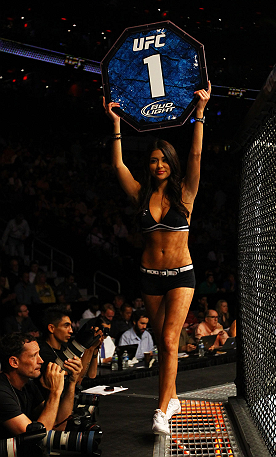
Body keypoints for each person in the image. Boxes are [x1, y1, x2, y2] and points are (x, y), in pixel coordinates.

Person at [104, 82, 211, 435]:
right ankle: (174, 396)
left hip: (181, 274)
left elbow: (195, 157)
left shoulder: (186, 192)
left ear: (172, 162)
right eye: (153, 159)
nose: (159, 164)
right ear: (148, 165)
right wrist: (116, 123)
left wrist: (198, 114)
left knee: (168, 340)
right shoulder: (140, 194)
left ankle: (161, 410)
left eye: (164, 158)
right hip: (150, 275)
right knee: (165, 345)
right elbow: (118, 165)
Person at [0, 332, 82, 439]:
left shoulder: (28, 385)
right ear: (14, 362)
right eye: (34, 356)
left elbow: (58, 424)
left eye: (39, 354)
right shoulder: (2, 393)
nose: (41, 360)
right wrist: (55, 392)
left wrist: (72, 382)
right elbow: (37, 438)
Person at [39, 306, 102, 385]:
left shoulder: (65, 347)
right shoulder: (42, 353)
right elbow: (74, 382)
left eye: (71, 326)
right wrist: (87, 348)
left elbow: (90, 376)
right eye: (66, 326)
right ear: (51, 328)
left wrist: (93, 349)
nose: (71, 331)